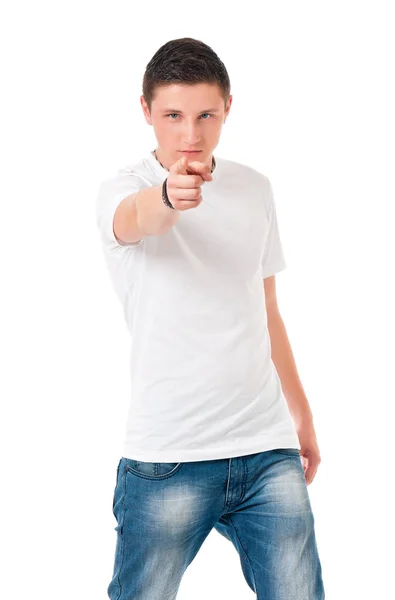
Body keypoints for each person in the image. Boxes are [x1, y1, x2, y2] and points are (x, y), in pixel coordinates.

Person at [96, 37, 325, 600]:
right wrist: (171, 198)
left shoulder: (255, 189)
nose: (190, 135)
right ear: (146, 111)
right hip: (168, 459)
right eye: (173, 116)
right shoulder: (124, 190)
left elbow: (265, 308)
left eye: (206, 115)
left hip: (266, 447)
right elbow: (137, 219)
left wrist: (302, 416)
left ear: (227, 109)